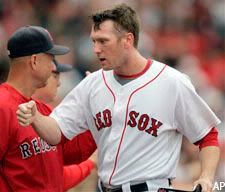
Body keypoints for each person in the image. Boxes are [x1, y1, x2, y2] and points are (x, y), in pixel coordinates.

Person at [17, 4, 220, 192]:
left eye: (103, 41)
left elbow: (207, 136)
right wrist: (37, 119)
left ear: (128, 40)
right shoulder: (93, 83)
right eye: (94, 41)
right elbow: (57, 133)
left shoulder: (171, 81)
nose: (96, 49)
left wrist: (207, 177)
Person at [0, 25, 96, 192]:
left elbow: (70, 152)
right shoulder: (2, 106)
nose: (54, 66)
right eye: (51, 58)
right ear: (34, 61)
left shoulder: (42, 110)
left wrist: (96, 110)